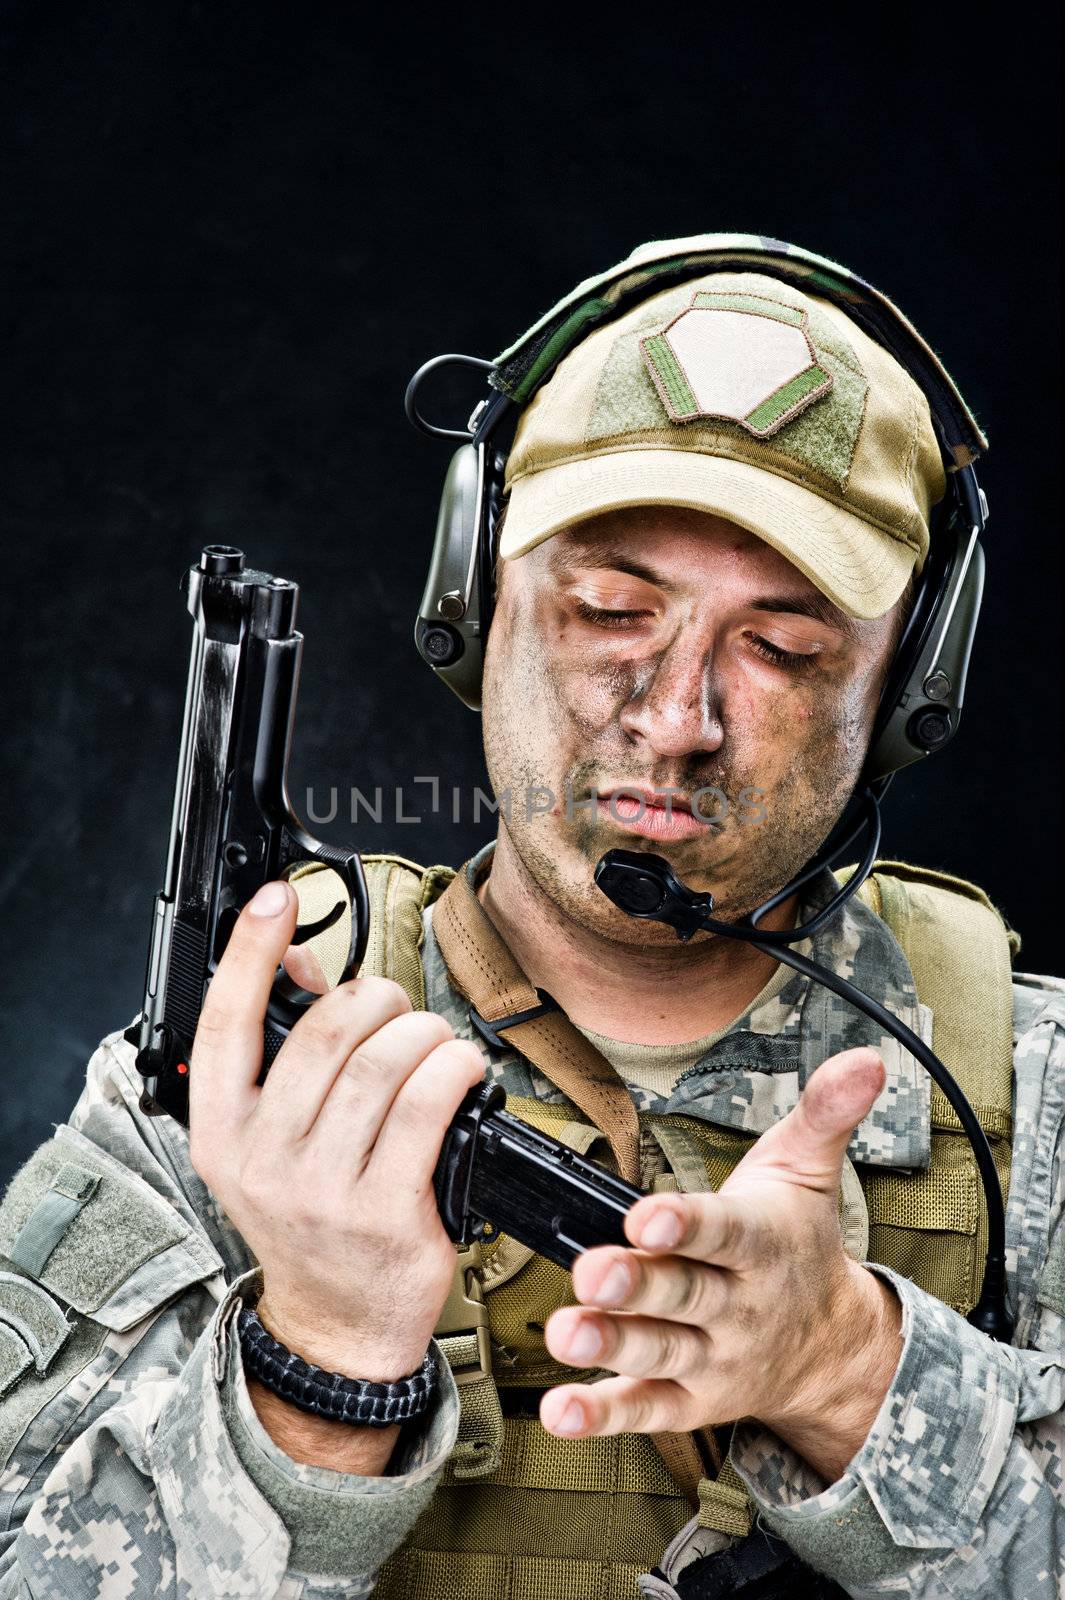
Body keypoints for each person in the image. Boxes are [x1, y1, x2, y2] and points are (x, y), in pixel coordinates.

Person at [0, 239, 1061, 1600]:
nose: (676, 718)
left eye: (783, 646)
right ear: (474, 599)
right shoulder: (236, 1088)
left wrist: (851, 1375)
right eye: (610, 608)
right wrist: (315, 1370)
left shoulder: (1034, 1110)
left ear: (911, 684)